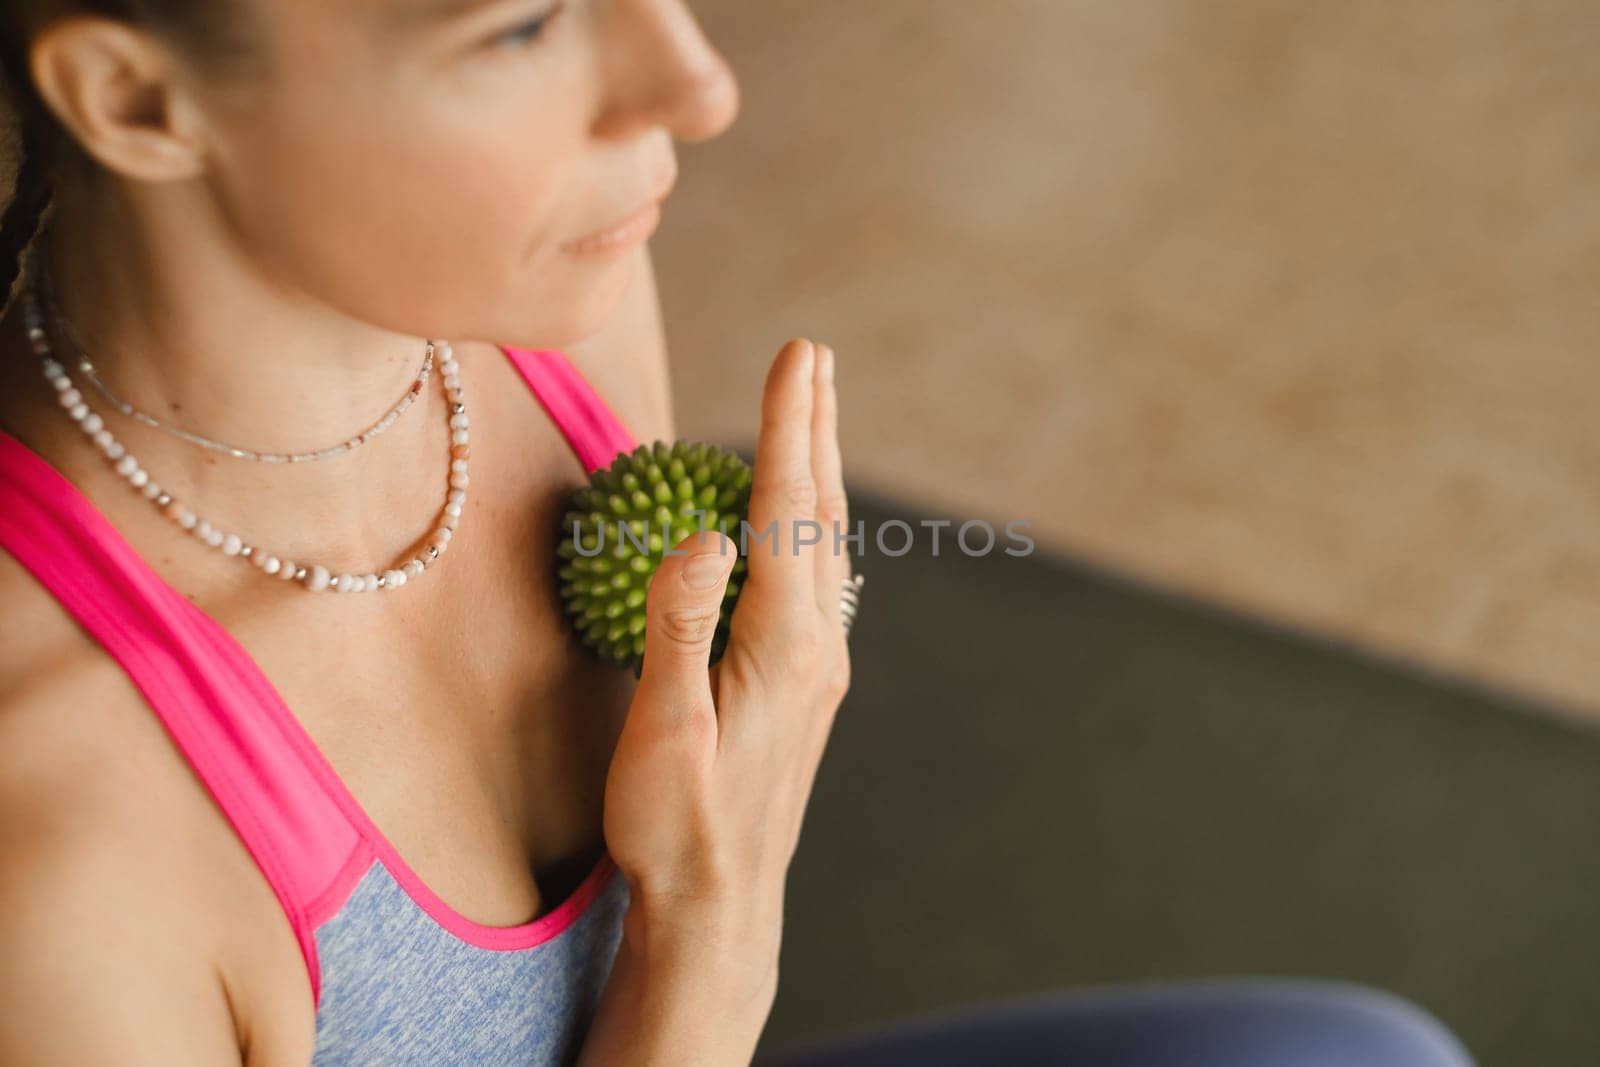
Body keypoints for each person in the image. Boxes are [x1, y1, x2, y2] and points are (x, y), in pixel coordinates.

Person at [0, 3, 1473, 1065]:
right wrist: (706, 948)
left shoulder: (529, 329)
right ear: (139, 100)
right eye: (521, 27)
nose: (695, 81)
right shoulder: (61, 866)